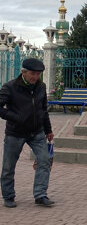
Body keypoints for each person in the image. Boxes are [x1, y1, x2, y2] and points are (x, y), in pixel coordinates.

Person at [0, 57, 54, 208]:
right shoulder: (9, 87)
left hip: (37, 132)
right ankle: (8, 196)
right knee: (8, 167)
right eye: (32, 74)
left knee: (44, 160)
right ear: (23, 72)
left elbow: (43, 110)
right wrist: (15, 117)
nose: (35, 77)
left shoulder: (41, 87)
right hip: (15, 132)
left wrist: (48, 130)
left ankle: (40, 194)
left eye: (38, 74)